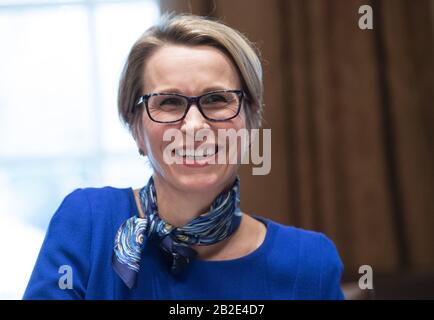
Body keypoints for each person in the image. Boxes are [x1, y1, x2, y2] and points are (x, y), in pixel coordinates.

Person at [23, 13, 344, 300]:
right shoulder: (88, 223)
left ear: (251, 120)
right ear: (136, 129)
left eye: (217, 98)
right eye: (169, 102)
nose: (194, 126)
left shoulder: (310, 261)